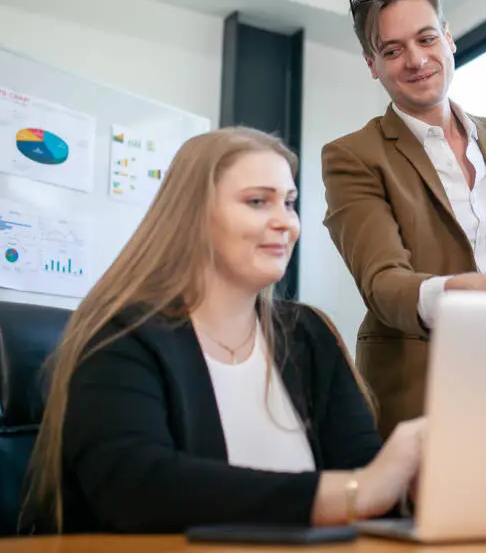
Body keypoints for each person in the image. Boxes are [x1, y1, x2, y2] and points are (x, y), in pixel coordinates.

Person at [23, 127, 423, 534]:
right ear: (192, 216)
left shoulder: (309, 335)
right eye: (257, 202)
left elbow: (370, 483)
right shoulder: (124, 338)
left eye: (288, 203)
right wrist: (356, 492)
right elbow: (136, 491)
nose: (285, 222)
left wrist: (411, 483)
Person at [322, 0, 486, 439]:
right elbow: (383, 284)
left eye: (426, 39)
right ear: (372, 64)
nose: (415, 61)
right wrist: (463, 291)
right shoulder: (352, 156)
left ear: (448, 37)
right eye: (392, 50)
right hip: (424, 391)